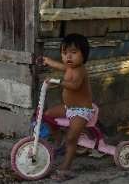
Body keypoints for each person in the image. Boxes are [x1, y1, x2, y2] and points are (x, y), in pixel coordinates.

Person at [39, 33, 93, 181]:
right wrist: (48, 61)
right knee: (48, 115)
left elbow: (74, 86)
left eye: (73, 53)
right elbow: (61, 66)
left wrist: (57, 81)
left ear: (84, 55)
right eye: (64, 53)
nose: (68, 57)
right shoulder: (69, 67)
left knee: (72, 138)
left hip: (82, 111)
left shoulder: (80, 71)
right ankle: (58, 139)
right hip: (69, 108)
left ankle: (66, 168)